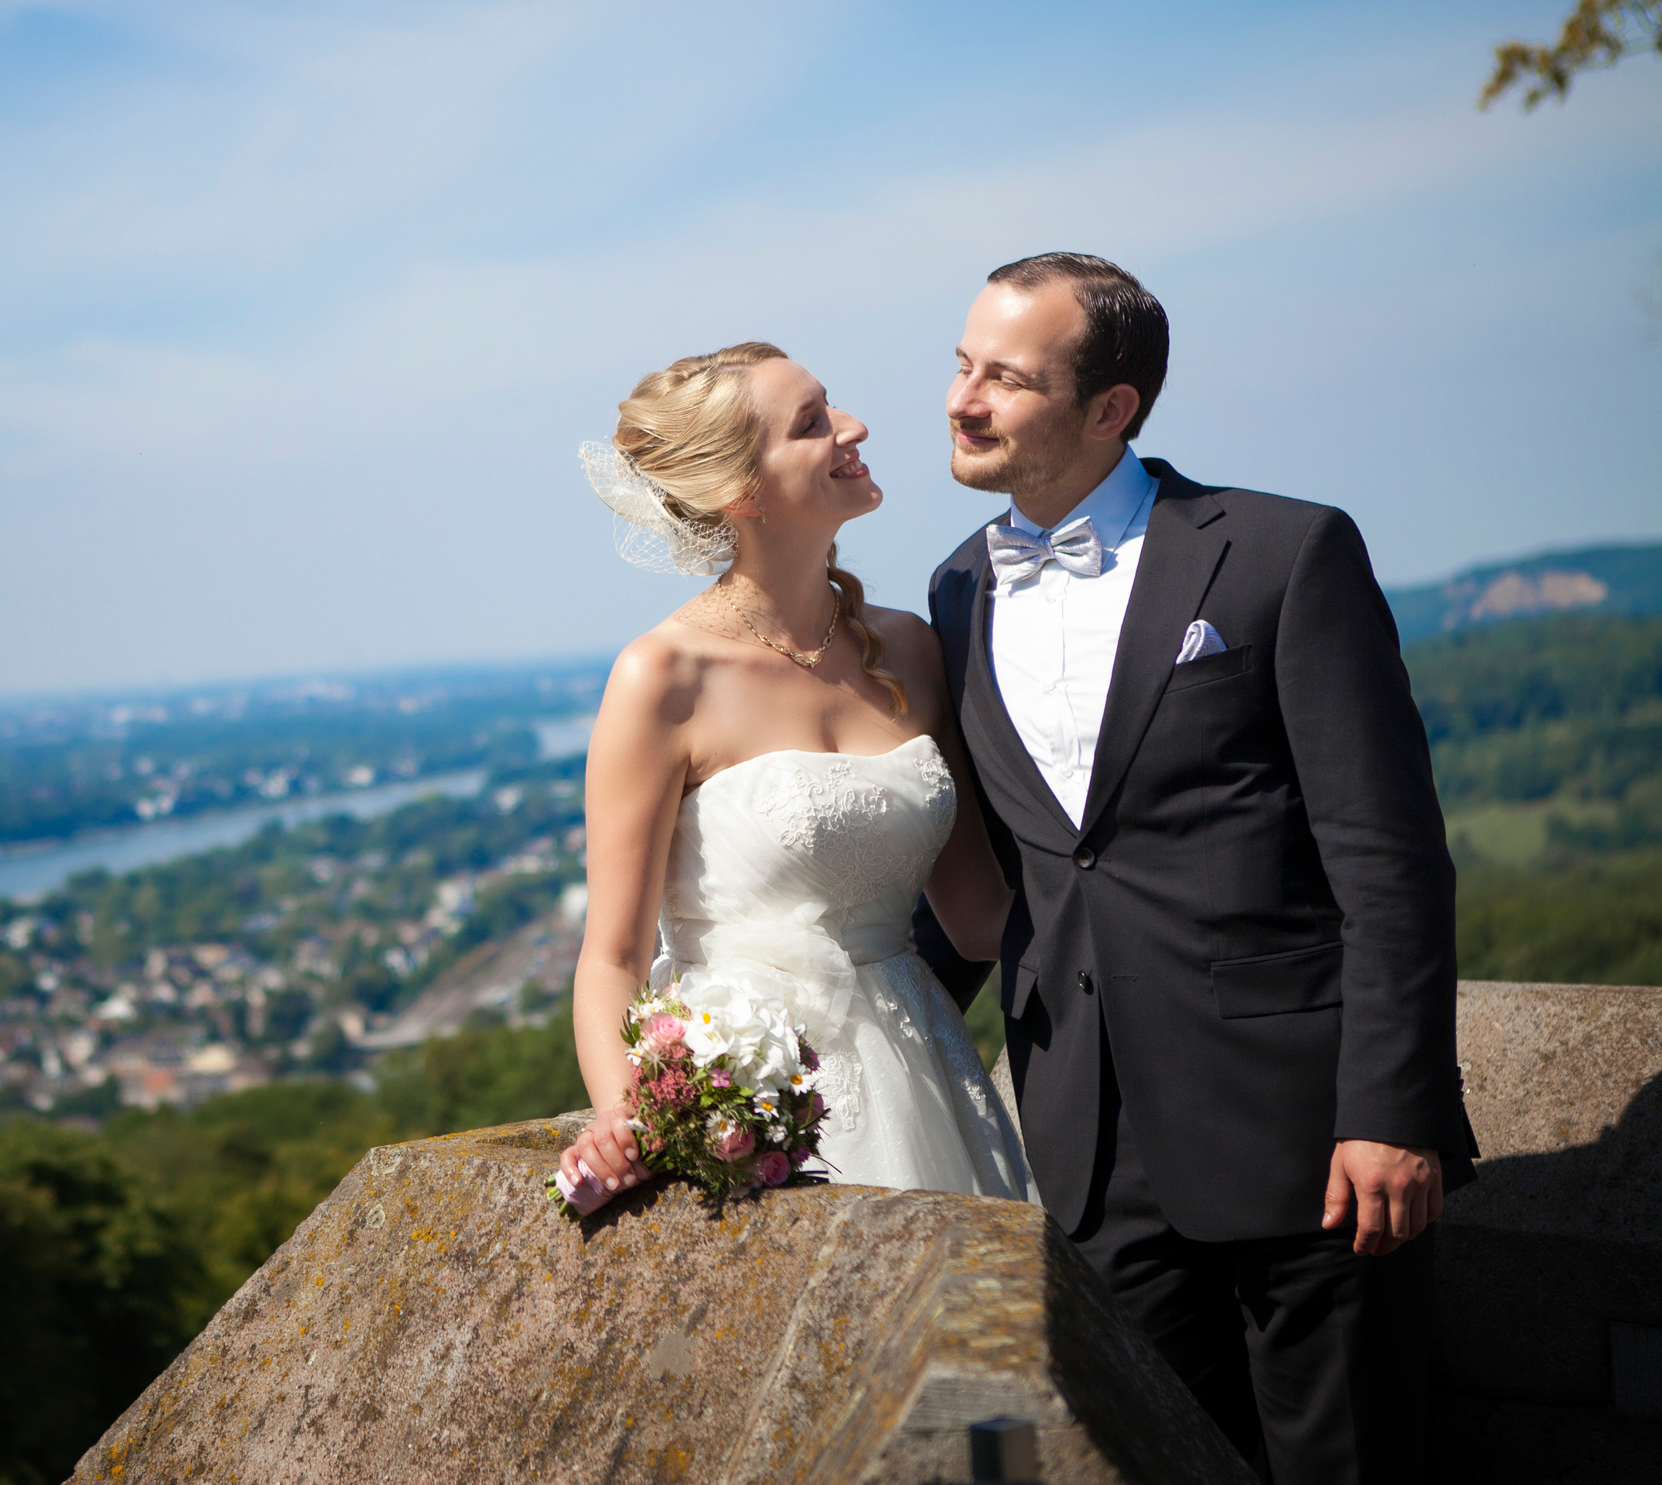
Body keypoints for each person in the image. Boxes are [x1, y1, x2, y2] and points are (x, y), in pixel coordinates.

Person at [928, 253, 1475, 1484]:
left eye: (1006, 378)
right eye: (961, 366)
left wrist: (1389, 1111)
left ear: (1109, 408)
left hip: (1305, 1140)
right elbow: (1004, 873)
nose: (962, 400)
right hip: (1083, 1147)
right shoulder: (957, 589)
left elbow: (1386, 860)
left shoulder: (1283, 551)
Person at [557, 342, 1034, 1207]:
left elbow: (976, 919)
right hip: (762, 1105)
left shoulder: (911, 647)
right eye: (812, 423)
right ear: (741, 491)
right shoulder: (662, 676)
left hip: (929, 1080)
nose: (854, 427)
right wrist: (630, 1116)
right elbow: (613, 957)